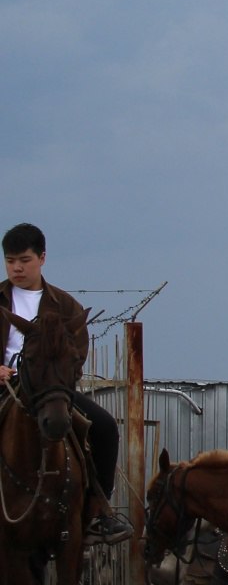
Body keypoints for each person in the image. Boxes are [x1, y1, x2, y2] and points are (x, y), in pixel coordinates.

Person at [0, 223, 131, 545]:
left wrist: (51, 377)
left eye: (24, 260)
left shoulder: (66, 306)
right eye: (10, 260)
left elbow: (77, 354)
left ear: (42, 258)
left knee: (103, 427)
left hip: (48, 391)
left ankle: (98, 510)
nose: (17, 267)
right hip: (3, 387)